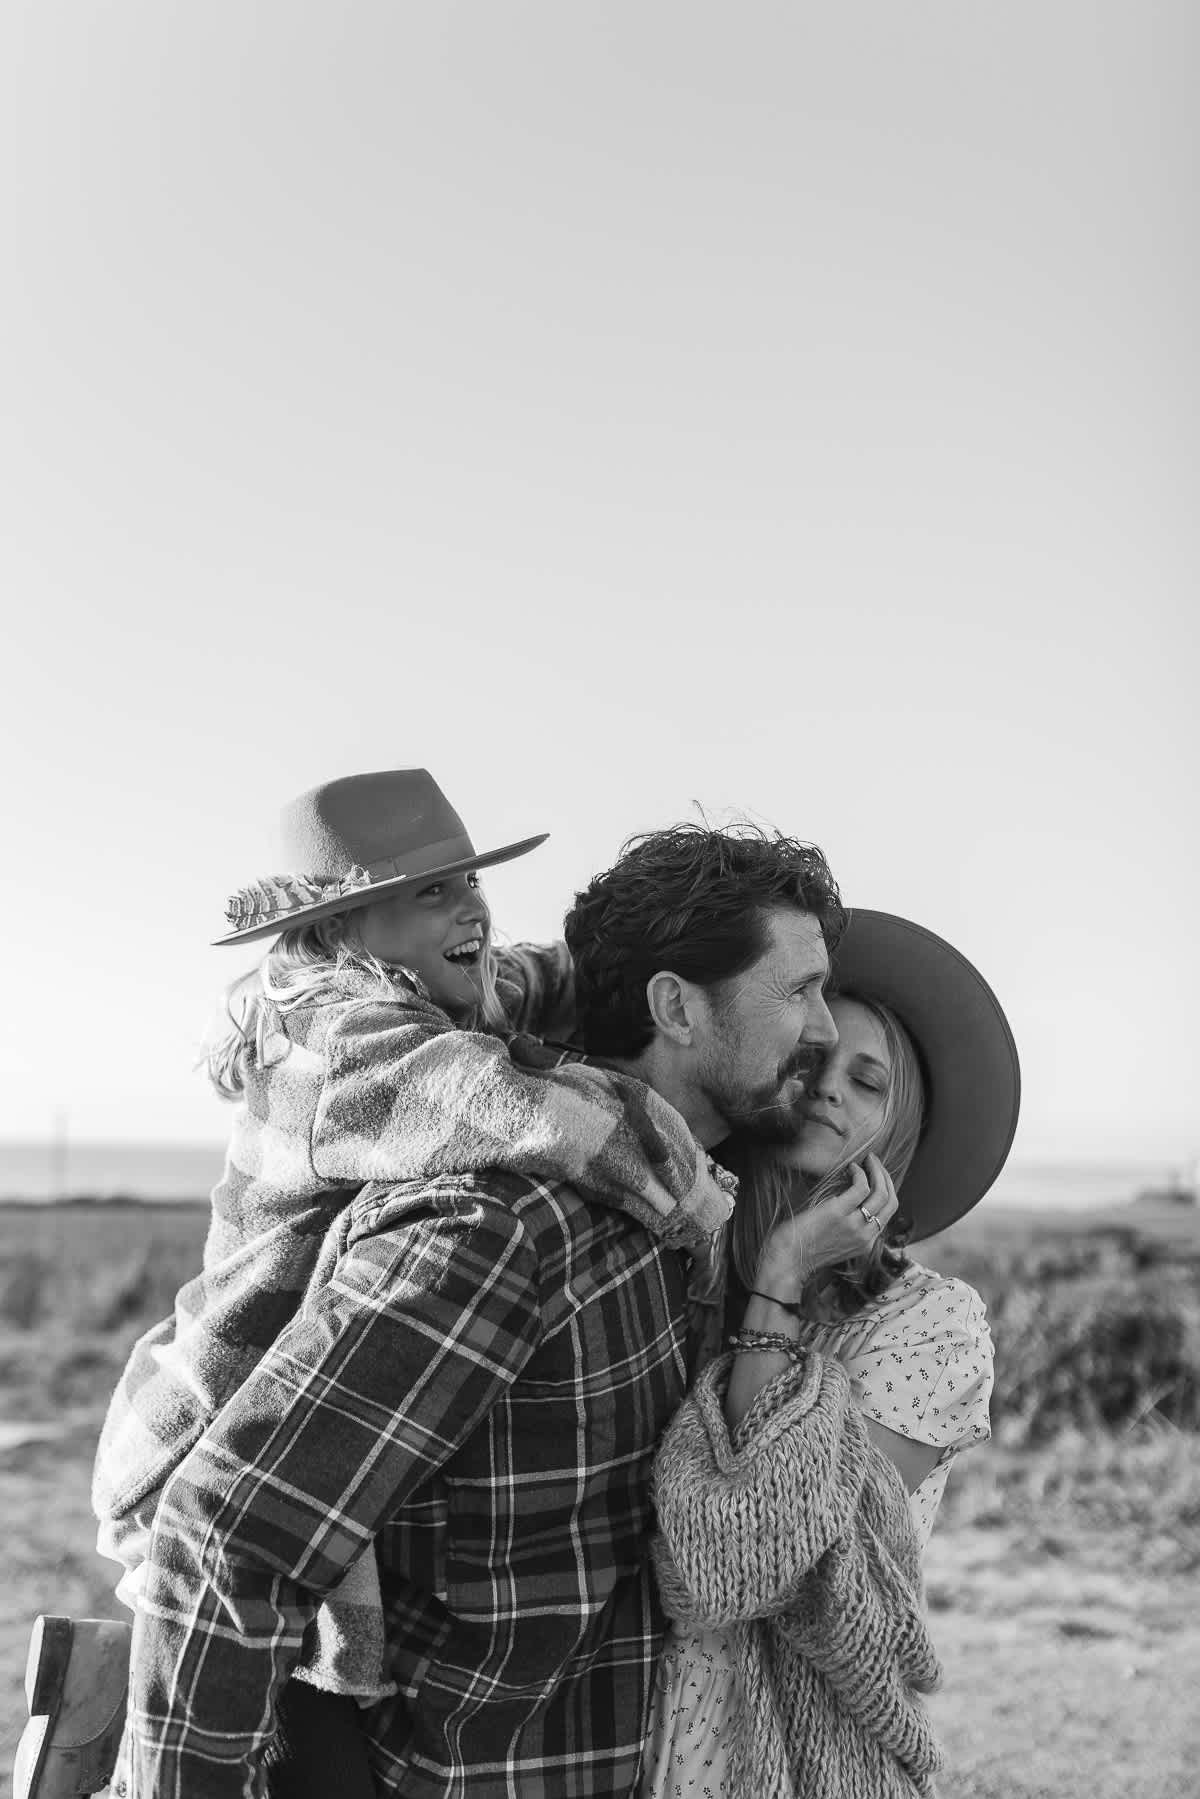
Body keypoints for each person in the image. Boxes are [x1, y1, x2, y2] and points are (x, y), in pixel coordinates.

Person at [14, 771, 739, 1799]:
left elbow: (538, 977)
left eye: (470, 881)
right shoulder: (342, 1041)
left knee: (311, 1647)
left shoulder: (429, 991)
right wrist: (696, 1195)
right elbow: (531, 1111)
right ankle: (128, 1745)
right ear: (345, 932)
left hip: (286, 1399)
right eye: (432, 892)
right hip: (202, 1420)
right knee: (256, 1650)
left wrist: (676, 953)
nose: (470, 907)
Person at [640, 907, 1020, 1797]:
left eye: (867, 1080)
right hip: (659, 1726)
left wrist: (783, 1272)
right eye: (813, 1061)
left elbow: (762, 1542)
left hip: (822, 1745)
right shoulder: (696, 1273)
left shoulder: (933, 1324)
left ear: (898, 1126)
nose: (828, 1089)